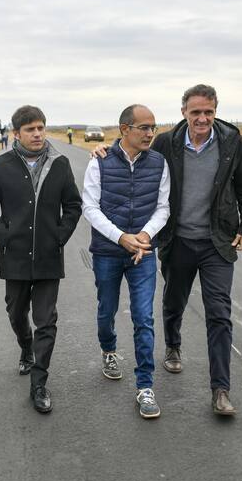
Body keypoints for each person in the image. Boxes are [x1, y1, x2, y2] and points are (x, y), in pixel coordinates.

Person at [92, 84, 242, 415]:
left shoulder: (232, 142)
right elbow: (133, 150)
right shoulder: (167, 143)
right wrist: (104, 148)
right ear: (184, 111)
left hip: (216, 242)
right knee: (173, 301)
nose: (202, 118)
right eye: (196, 112)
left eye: (208, 112)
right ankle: (173, 346)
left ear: (215, 110)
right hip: (178, 240)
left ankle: (220, 390)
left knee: (219, 313)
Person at [0, 105, 82, 413]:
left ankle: (39, 384)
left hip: (50, 258)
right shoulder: (1, 165)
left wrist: (59, 236)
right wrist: (5, 235)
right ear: (16, 134)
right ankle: (26, 347)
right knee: (15, 312)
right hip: (16, 259)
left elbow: (73, 206)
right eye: (30, 129)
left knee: (46, 321)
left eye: (40, 128)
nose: (37, 134)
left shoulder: (60, 164)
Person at [82, 104, 170, 419]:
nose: (149, 133)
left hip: (143, 252)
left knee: (144, 317)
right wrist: (121, 237)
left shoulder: (160, 163)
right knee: (106, 311)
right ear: (124, 129)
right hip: (108, 252)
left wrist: (143, 236)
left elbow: (163, 207)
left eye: (153, 128)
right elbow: (90, 207)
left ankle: (145, 386)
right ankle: (108, 351)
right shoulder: (99, 162)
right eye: (143, 128)